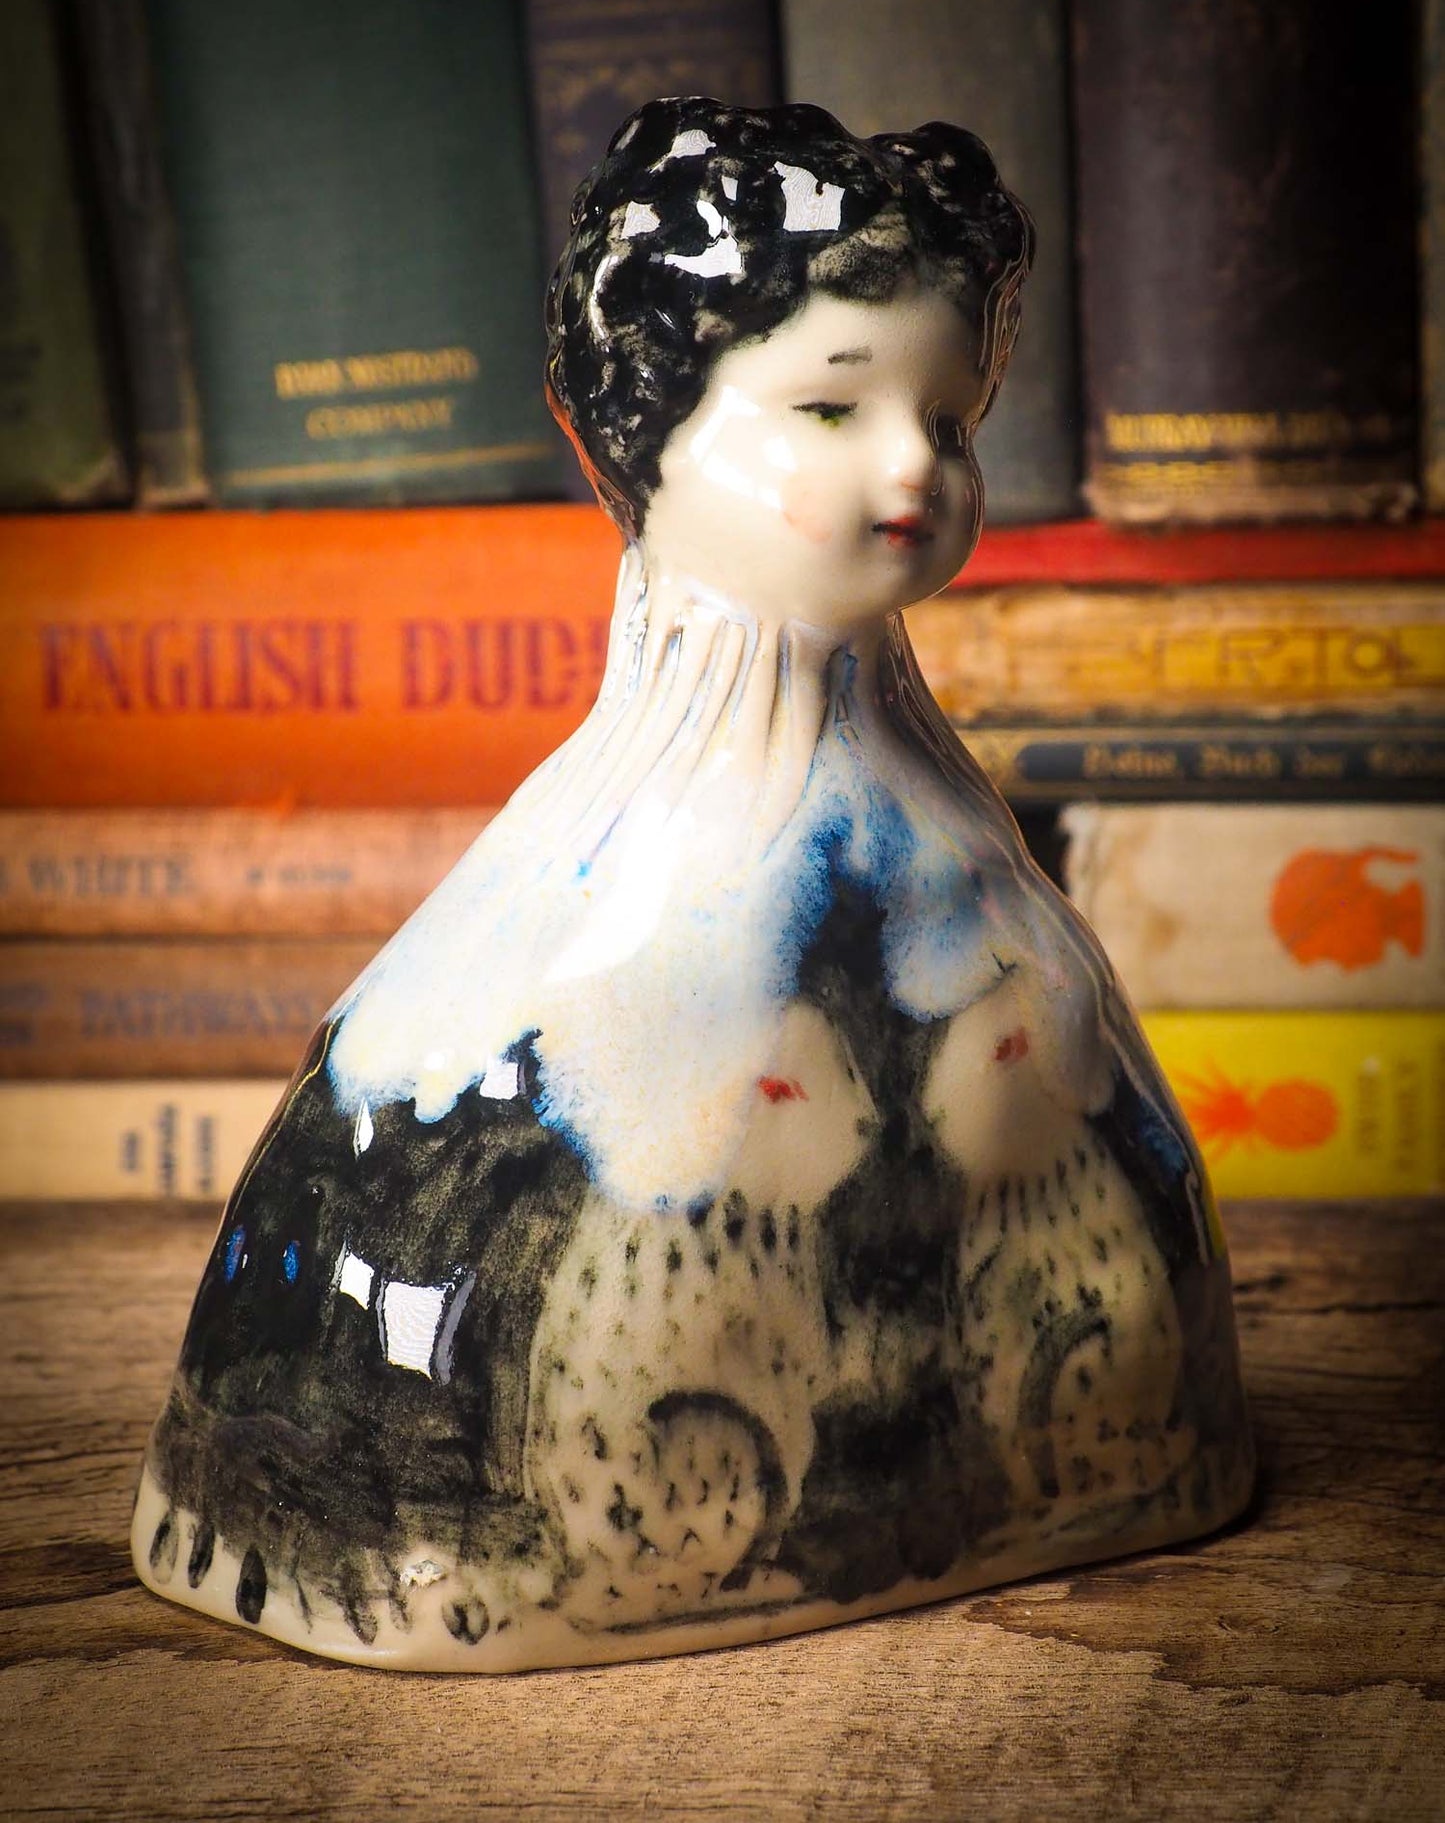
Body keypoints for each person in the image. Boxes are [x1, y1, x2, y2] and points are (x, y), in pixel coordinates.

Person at [132, 99, 1253, 1670]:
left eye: (948, 420)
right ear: (630, 437)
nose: (913, 465)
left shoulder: (936, 824)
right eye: (829, 406)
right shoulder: (599, 884)